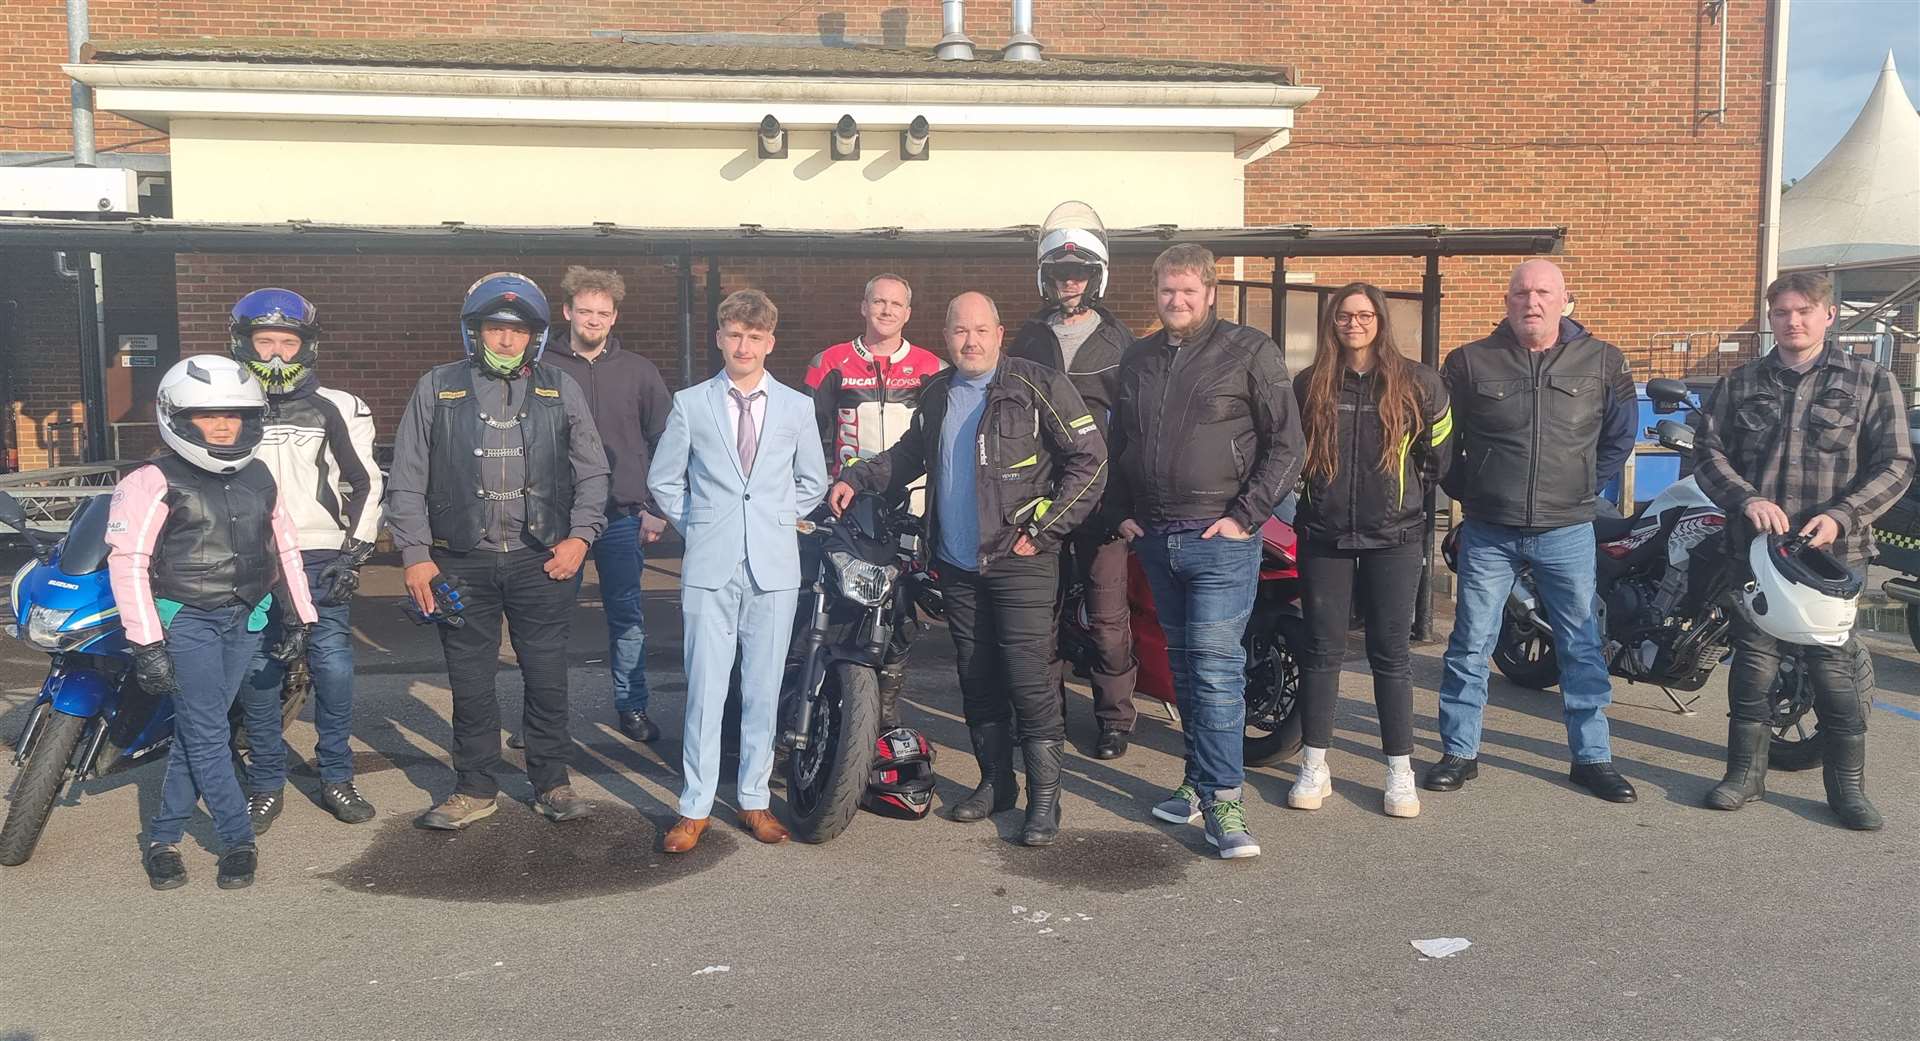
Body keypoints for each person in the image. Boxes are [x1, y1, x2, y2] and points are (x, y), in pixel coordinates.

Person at [832, 291, 1106, 846]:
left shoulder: (1034, 383)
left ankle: (1045, 800)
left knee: (1029, 681)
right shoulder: (937, 393)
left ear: (999, 333)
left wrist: (1043, 529)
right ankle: (996, 784)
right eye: (960, 331)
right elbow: (907, 456)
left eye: (981, 330)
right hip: (957, 566)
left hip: (1020, 561)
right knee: (977, 679)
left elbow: (1091, 459)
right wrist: (855, 478)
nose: (971, 341)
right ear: (948, 334)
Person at [386, 272, 610, 830]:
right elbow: (407, 477)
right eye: (494, 328)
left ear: (534, 335)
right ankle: (474, 786)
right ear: (474, 331)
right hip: (460, 560)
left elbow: (594, 472)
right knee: (470, 679)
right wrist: (415, 553)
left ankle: (552, 781)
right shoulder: (436, 386)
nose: (506, 340)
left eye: (518, 330)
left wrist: (580, 538)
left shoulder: (562, 387)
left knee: (547, 674)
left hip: (544, 559)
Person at [1693, 271, 1913, 829]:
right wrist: (1745, 500)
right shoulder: (1739, 383)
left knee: (1833, 667)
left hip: (1831, 556)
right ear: (1771, 320)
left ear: (1829, 315)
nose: (1792, 322)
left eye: (1803, 311)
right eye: (1781, 313)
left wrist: (1841, 516)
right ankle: (1744, 775)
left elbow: (1895, 464)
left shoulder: (1869, 381)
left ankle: (1848, 791)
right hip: (1756, 550)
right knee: (1754, 663)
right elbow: (1708, 454)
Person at [1109, 244, 1304, 860]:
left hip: (1220, 538)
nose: (1177, 301)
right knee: (1185, 672)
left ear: (1211, 292)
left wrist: (1246, 518)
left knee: (1217, 672)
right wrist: (1123, 514)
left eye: (1188, 290)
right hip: (1159, 538)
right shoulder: (1138, 358)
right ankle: (1196, 780)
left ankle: (1225, 799)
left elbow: (1287, 444)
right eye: (1168, 290)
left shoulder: (1249, 351)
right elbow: (1120, 444)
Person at [1429, 259, 1638, 802]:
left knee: (1580, 643)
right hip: (1489, 529)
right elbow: (1443, 443)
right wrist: (1470, 493)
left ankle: (1592, 758)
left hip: (1567, 528)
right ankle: (1459, 751)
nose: (1532, 302)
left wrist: (1582, 490)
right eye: (1521, 292)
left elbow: (1618, 437)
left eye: (1544, 292)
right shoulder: (1470, 363)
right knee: (1471, 642)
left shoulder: (1603, 362)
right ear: (1507, 300)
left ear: (1565, 299)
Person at [107, 355, 319, 890]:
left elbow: (284, 547)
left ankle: (162, 837)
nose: (224, 425)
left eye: (235, 415)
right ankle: (237, 837)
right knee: (205, 734)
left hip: (247, 618)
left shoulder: (259, 474)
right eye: (208, 416)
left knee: (198, 733)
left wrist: (300, 617)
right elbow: (127, 561)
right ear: (177, 416)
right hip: (187, 621)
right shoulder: (151, 479)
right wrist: (147, 643)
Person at [648, 289, 829, 854]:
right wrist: (698, 524)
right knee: (705, 688)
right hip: (710, 563)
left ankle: (754, 798)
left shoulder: (797, 407)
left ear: (769, 343)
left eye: (755, 336)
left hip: (773, 567)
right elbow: (663, 479)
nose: (744, 345)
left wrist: (778, 520)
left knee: (762, 687)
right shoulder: (691, 404)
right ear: (720, 338)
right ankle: (694, 805)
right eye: (735, 334)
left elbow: (813, 481)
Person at [1287, 282, 1451, 819]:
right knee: (1321, 650)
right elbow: (1293, 454)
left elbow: (1438, 458)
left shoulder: (1420, 383)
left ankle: (1399, 771)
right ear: (1331, 323)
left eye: (1363, 314)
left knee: (1391, 655)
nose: (1353, 323)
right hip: (1324, 536)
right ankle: (1314, 765)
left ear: (1380, 319)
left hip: (1394, 538)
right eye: (1343, 315)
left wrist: (1398, 502)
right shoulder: (1310, 383)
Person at [225, 288, 385, 832]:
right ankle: (267, 781)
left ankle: (337, 775)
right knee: (258, 664)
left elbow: (367, 481)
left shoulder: (338, 405)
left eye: (286, 343)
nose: (274, 354)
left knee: (332, 661)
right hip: (245, 554)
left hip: (318, 551)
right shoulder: (225, 403)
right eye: (263, 341)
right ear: (243, 342)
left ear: (305, 346)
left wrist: (356, 551)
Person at [1009, 201, 1140, 760]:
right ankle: (1049, 715)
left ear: (1096, 277)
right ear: (1046, 277)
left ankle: (1115, 717)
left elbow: (1135, 429)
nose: (1070, 283)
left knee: (1108, 616)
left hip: (1102, 500)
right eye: (1061, 273)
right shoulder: (1027, 339)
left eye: (1080, 273)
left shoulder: (1122, 343)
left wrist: (1126, 501)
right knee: (1046, 614)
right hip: (1041, 500)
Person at [803, 274, 946, 726]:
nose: (886, 310)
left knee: (901, 606)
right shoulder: (830, 362)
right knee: (829, 601)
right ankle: (815, 702)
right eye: (878, 302)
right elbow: (803, 434)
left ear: (908, 312)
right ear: (863, 306)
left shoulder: (932, 367)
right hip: (845, 505)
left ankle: (882, 709)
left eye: (895, 304)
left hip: (910, 508)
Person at [542, 266, 674, 743]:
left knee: (626, 616)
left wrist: (655, 505)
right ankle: (544, 717)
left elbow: (666, 438)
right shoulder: (543, 368)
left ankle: (632, 706)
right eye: (585, 311)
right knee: (549, 622)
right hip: (557, 519)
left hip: (621, 516)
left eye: (602, 313)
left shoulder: (639, 371)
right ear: (567, 312)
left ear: (614, 317)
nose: (593, 320)